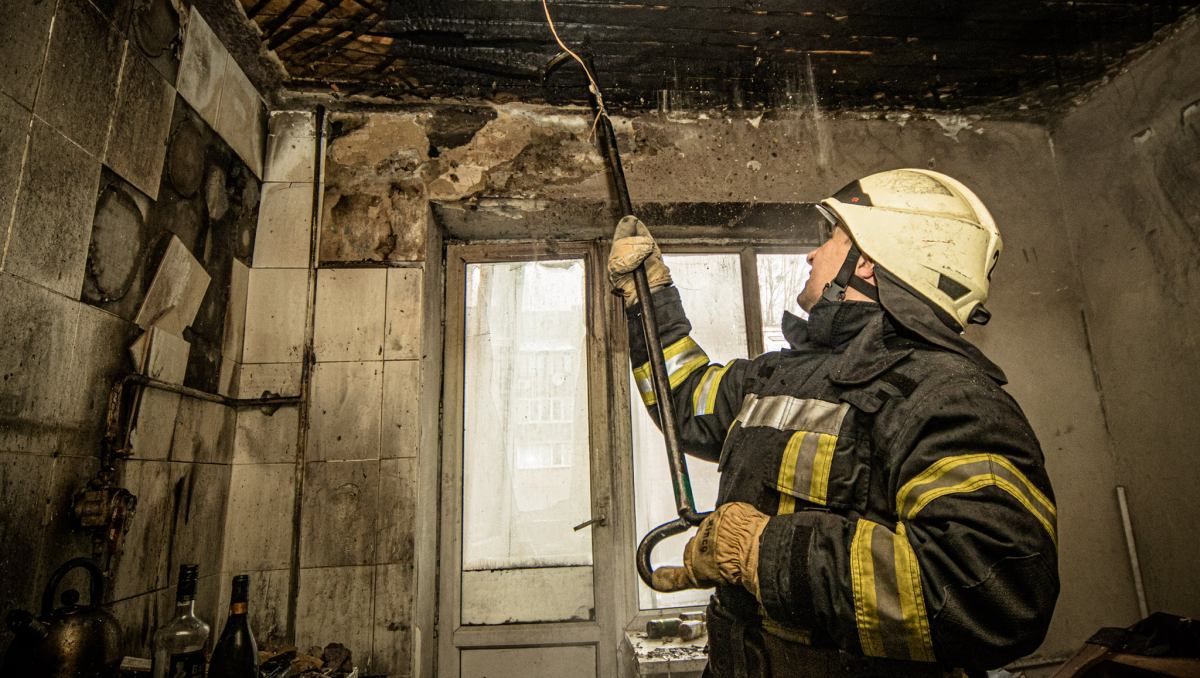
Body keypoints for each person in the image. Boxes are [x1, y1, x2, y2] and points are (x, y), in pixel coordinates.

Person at [609, 169, 1059, 677]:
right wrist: (650, 297)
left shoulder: (949, 397)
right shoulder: (783, 373)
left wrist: (762, 551)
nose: (812, 255)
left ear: (867, 261)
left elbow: (992, 597)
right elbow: (686, 402)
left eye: (831, 239)